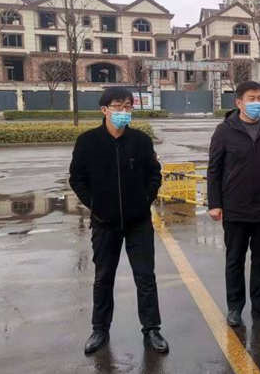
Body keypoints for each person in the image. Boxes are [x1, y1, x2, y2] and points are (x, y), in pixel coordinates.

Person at [69, 87, 168, 355]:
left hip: (139, 223)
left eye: (128, 106)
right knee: (103, 277)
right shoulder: (87, 142)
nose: (124, 111)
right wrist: (96, 205)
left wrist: (145, 199)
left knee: (145, 277)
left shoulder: (141, 141)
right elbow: (77, 178)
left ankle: (152, 329)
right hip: (104, 223)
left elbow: (154, 174)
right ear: (104, 110)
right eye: (118, 106)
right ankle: (100, 329)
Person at [207, 81, 260, 327]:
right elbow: (214, 170)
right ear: (239, 103)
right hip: (235, 207)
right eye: (251, 99)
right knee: (234, 259)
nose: (257, 103)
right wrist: (214, 203)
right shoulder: (224, 131)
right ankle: (235, 307)